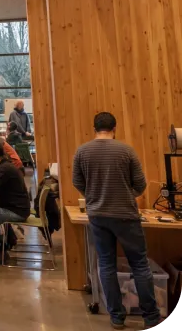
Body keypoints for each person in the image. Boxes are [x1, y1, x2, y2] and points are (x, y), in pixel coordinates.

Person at [72, 112, 163, 330]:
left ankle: (116, 317)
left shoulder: (82, 152)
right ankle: (151, 318)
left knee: (106, 264)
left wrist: (94, 196)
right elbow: (141, 185)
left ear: (94, 128)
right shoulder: (126, 151)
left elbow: (77, 182)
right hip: (126, 216)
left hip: (97, 215)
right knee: (140, 265)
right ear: (115, 128)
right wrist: (125, 195)